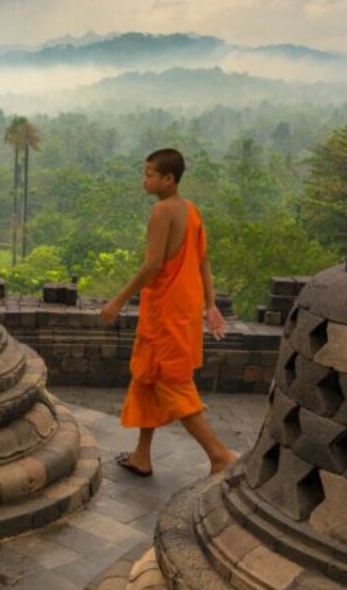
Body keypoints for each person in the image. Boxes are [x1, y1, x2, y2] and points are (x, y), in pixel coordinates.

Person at [99, 148, 235, 477]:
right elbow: (202, 261)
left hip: (167, 310)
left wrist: (118, 300)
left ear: (168, 179)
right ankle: (141, 456)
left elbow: (153, 266)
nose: (144, 180)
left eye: (149, 174)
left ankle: (219, 456)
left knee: (174, 384)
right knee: (147, 377)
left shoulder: (163, 211)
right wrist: (210, 304)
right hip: (183, 307)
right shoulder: (191, 210)